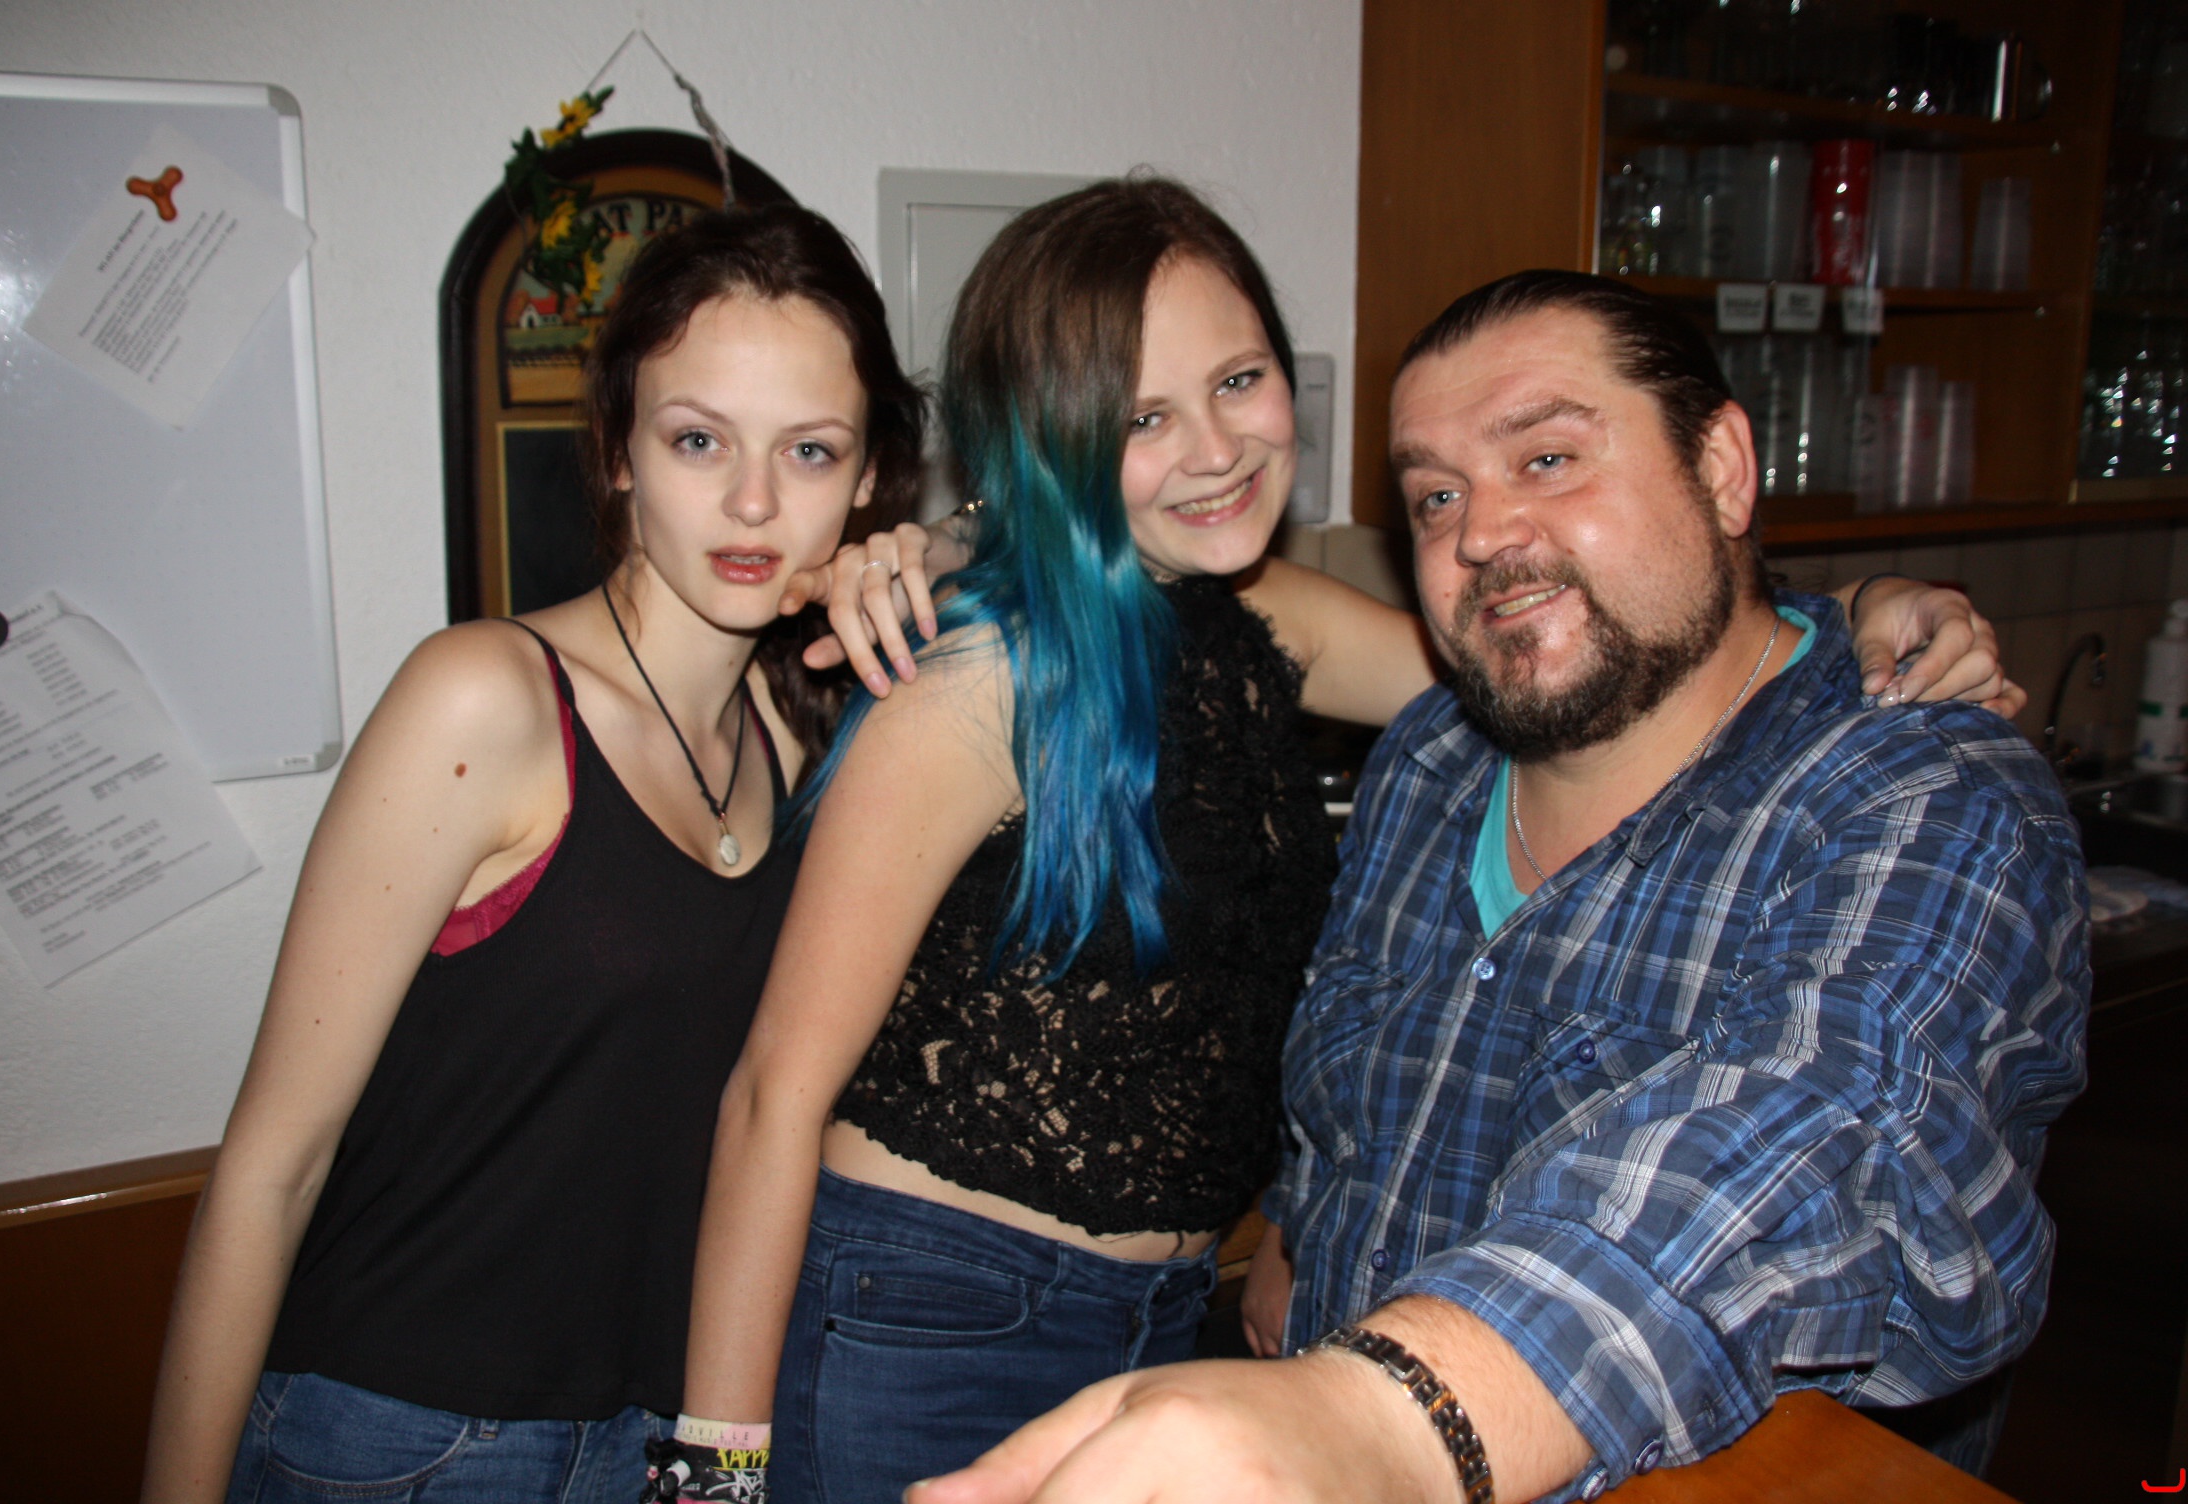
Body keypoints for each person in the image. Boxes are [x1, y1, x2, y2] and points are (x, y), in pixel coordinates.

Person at [674, 180, 2026, 1504]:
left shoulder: (1271, 618)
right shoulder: (974, 684)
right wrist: (716, 1475)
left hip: (1163, 1322)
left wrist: (1862, 606)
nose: (1218, 447)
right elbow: (770, 1096)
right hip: (924, 1318)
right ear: (1055, 440)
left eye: (1239, 380)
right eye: (1142, 417)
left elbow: (1574, 637)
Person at [138, 203, 937, 1504]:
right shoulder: (486, 699)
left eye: (809, 450)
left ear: (866, 479)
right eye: (697, 440)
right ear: (619, 451)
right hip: (403, 1440)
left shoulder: (801, 734)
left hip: (664, 1440)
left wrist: (926, 558)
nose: (752, 501)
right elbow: (271, 1167)